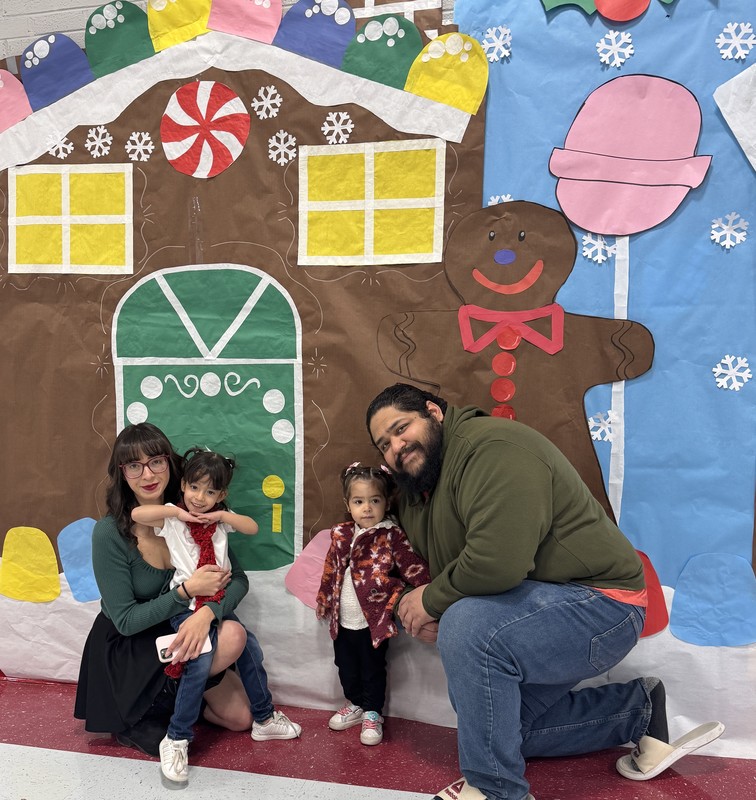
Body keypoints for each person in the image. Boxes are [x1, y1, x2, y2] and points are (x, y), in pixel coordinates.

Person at [365, 383, 724, 800]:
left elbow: (497, 563)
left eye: (400, 427)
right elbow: (446, 568)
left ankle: (496, 790)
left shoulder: (494, 447)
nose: (395, 445)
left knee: (467, 627)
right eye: (383, 443)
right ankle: (636, 711)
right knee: (501, 729)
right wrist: (431, 607)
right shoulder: (420, 487)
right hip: (540, 606)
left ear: (434, 412)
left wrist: (433, 602)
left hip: (604, 605)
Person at [131, 447, 301, 788]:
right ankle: (176, 738)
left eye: (210, 492)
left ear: (221, 495)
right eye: (194, 488)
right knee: (200, 657)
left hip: (219, 601)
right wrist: (178, 513)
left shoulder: (221, 518)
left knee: (250, 650)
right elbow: (137, 514)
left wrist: (222, 517)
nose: (200, 498)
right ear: (183, 486)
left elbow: (251, 527)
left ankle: (264, 719)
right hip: (186, 605)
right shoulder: (173, 519)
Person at [315, 463, 430, 746]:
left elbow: (412, 567)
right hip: (342, 620)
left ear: (386, 502)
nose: (367, 508)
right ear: (348, 504)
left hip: (374, 622)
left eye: (374, 500)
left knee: (373, 668)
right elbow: (331, 569)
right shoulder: (341, 534)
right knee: (344, 664)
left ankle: (372, 712)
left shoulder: (392, 535)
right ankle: (354, 703)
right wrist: (324, 599)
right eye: (359, 501)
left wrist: (428, 590)